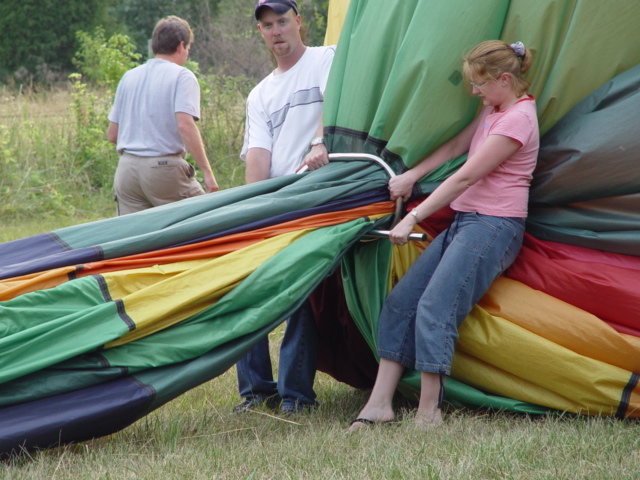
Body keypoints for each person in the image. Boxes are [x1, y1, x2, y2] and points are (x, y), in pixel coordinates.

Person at [349, 40, 538, 430]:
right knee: (402, 302)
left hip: (494, 226)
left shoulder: (519, 118)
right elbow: (456, 147)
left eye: (480, 85)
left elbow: (468, 174)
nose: (475, 93)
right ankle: (380, 403)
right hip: (468, 220)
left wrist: (411, 217)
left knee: (436, 307)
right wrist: (412, 176)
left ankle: (428, 412)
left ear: (505, 79)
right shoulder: (493, 109)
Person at [234, 0, 336, 414]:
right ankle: (257, 391)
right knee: (246, 288)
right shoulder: (260, 94)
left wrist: (319, 141)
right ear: (260, 33)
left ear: (298, 22)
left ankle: (295, 395)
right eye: (267, 26)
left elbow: (341, 102)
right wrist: (250, 214)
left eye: (281, 22)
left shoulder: (325, 60)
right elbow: (258, 159)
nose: (275, 31)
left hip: (321, 197)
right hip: (278, 204)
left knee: (302, 297)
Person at [107, 15, 219, 216]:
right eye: (188, 49)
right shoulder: (182, 76)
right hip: (163, 169)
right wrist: (207, 173)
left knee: (137, 243)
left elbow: (112, 135)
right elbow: (185, 126)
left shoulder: (128, 77)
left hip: (126, 171)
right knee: (206, 220)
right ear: (181, 46)